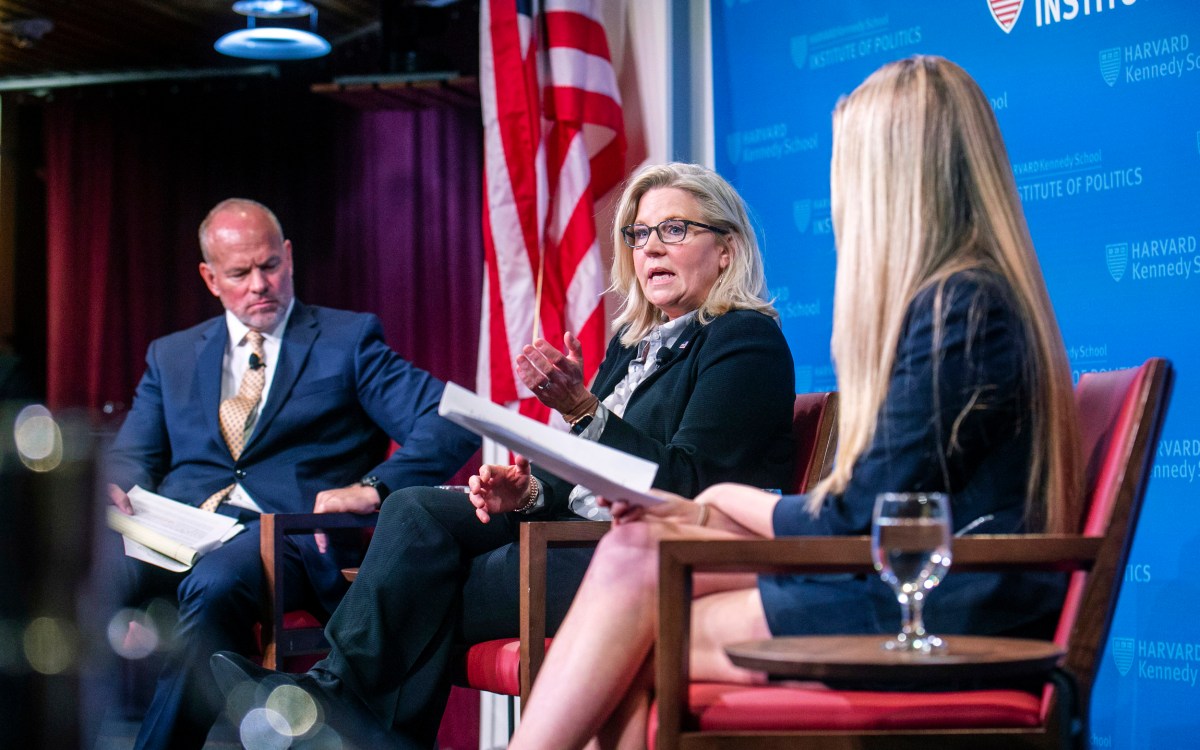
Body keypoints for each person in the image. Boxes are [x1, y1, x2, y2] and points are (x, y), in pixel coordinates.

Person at [505, 55, 1085, 750]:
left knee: (626, 638)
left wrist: (712, 499)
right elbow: (870, 510)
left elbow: (851, 518)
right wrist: (693, 512)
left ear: (893, 178)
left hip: (941, 602)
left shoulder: (957, 309)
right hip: (908, 576)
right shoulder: (961, 298)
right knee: (636, 549)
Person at [212, 162, 798, 747]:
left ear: (726, 249)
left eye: (674, 230)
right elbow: (591, 471)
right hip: (576, 529)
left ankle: (334, 705)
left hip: (641, 552)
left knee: (424, 589)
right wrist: (532, 491)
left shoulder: (743, 340)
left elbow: (686, 484)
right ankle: (340, 704)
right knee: (414, 510)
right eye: (639, 234)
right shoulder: (633, 342)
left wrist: (584, 411)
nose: (650, 249)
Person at [103, 198, 480, 750]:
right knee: (70, 575)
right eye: (239, 273)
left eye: (269, 266)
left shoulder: (345, 342)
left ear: (289, 256)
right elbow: (134, 455)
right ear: (210, 278)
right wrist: (114, 483)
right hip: (176, 528)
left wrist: (372, 487)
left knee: (215, 585)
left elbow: (452, 421)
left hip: (284, 538)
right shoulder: (174, 355)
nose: (260, 284)